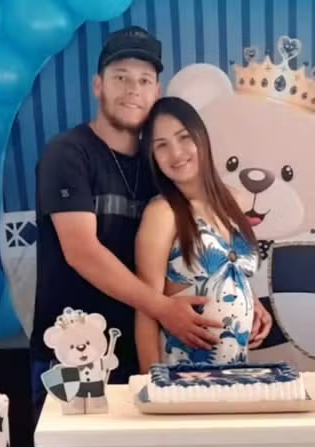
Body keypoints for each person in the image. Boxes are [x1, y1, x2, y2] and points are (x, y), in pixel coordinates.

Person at [30, 27, 272, 416]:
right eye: (120, 77)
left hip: (136, 350)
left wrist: (243, 296)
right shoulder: (68, 154)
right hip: (74, 352)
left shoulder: (159, 168)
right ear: (98, 85)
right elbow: (81, 251)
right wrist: (162, 308)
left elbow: (192, 253)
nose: (133, 89)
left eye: (144, 80)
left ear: (156, 91)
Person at [134, 97, 266, 372]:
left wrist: (252, 304)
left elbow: (228, 274)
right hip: (182, 376)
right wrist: (151, 384)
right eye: (161, 145)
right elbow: (146, 308)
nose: (176, 153)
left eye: (184, 138)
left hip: (237, 373)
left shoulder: (235, 200)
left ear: (201, 138)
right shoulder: (162, 213)